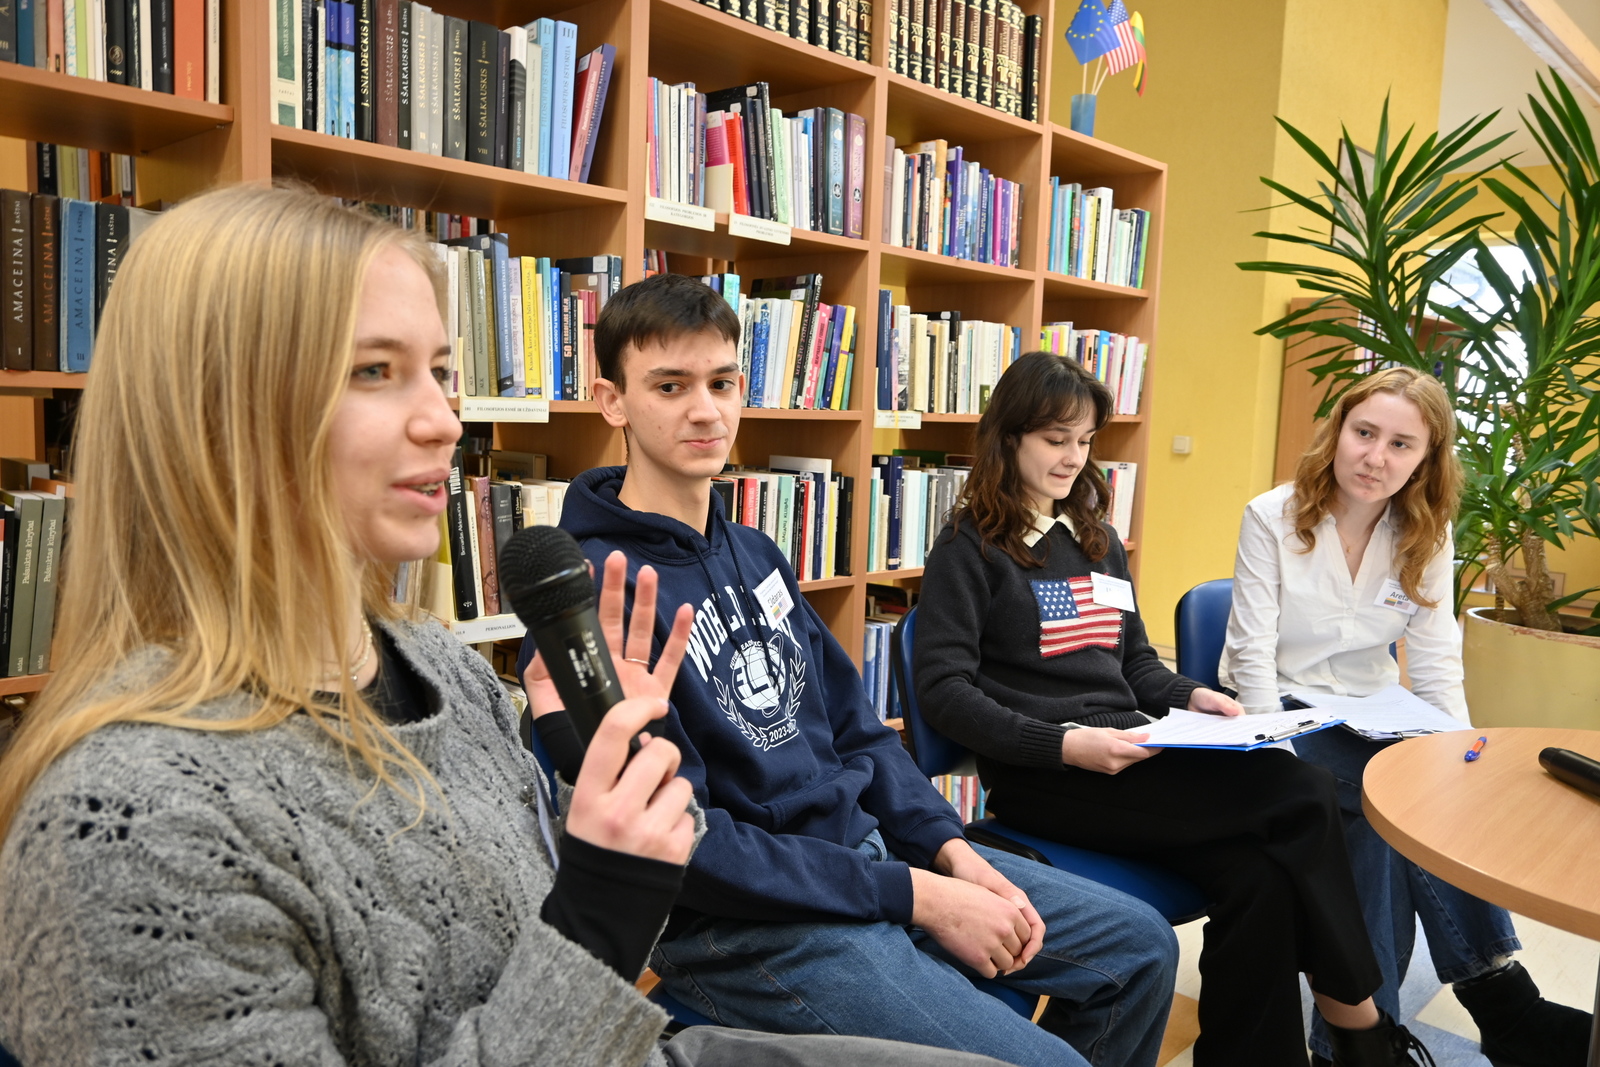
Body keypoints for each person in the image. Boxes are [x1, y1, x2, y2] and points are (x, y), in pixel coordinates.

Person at [0, 184, 1025, 1067]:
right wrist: (605, 901)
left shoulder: (440, 666)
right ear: (215, 412)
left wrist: (599, 800)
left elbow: (542, 935)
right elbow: (584, 936)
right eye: (374, 371)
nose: (445, 419)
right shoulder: (131, 824)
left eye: (441, 370)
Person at [517, 273, 1180, 1067]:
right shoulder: (599, 596)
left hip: (869, 859)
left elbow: (858, 731)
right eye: (669, 385)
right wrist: (920, 895)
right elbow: (693, 846)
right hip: (752, 926)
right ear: (611, 400)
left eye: (722, 382)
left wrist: (950, 850)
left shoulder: (756, 552)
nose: (705, 410)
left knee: (1141, 948)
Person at [913, 351, 1437, 1067]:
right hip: (1048, 775)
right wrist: (1064, 744)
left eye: (1085, 441)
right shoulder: (967, 547)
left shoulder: (1095, 539)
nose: (1073, 458)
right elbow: (944, 693)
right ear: (1009, 438)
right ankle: (1362, 1027)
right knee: (1303, 789)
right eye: (1055, 439)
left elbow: (1134, 664)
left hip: (1133, 752)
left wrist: (1193, 696)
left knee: (1260, 878)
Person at [1220, 366, 1593, 1067]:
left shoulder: (1426, 530)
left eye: (1400, 444)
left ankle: (1362, 1040)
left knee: (1421, 800)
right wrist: (1280, 765)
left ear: (1426, 458)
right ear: (1338, 432)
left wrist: (1459, 753)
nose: (1375, 457)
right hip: (1284, 710)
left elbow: (1435, 655)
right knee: (1380, 805)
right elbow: (1250, 658)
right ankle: (1499, 1003)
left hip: (1376, 709)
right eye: (1364, 433)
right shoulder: (1272, 516)